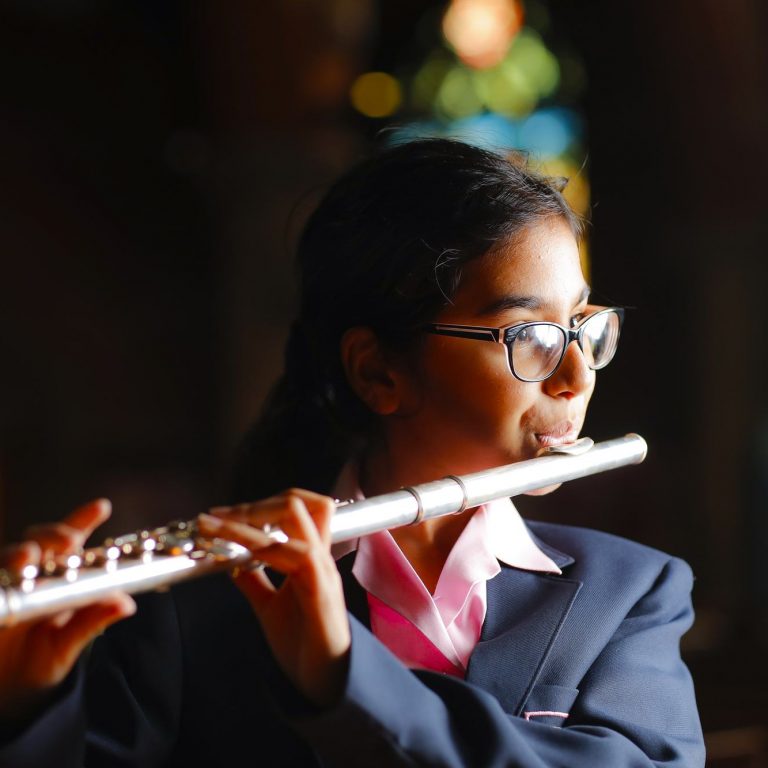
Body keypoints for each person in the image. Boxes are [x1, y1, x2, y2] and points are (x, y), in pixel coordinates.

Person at [0, 138, 704, 766]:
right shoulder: (200, 610)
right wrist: (27, 705)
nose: (577, 374)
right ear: (378, 372)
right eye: (530, 334)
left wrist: (348, 674)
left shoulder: (628, 593)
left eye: (581, 326)